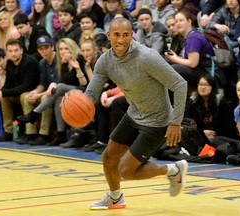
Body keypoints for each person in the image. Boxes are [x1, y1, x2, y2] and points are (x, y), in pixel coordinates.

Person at [68, 17, 188, 209]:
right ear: (109, 36)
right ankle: (115, 198)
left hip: (158, 121)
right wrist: (77, 105)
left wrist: (175, 122)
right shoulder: (105, 61)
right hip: (134, 113)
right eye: (116, 35)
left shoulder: (147, 57)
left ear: (132, 35)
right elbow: (91, 93)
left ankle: (173, 170)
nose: (121, 40)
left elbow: (180, 84)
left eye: (126, 35)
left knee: (126, 170)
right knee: (108, 157)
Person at [17, 38, 87, 146]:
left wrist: (77, 69)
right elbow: (60, 82)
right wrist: (36, 92)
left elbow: (84, 84)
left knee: (58, 89)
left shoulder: (79, 58)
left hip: (83, 89)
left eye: (66, 48)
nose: (63, 51)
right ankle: (61, 134)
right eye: (61, 49)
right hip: (68, 90)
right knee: (58, 97)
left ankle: (34, 114)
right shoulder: (61, 62)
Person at [0, 38, 40, 142]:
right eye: (10, 51)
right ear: (7, 53)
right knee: (4, 97)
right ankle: (8, 131)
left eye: (16, 50)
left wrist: (3, 92)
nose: (14, 54)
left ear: (21, 50)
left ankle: (30, 132)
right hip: (19, 93)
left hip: (34, 93)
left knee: (24, 96)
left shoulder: (30, 62)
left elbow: (27, 86)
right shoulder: (10, 64)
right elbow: (8, 84)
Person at [17, 36, 59, 145]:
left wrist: (39, 95)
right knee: (26, 96)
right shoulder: (42, 63)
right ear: (38, 50)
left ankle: (44, 134)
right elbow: (43, 83)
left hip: (58, 93)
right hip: (48, 91)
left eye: (46, 47)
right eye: (41, 48)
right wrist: (35, 92)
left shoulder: (58, 60)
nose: (44, 51)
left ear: (52, 47)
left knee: (45, 97)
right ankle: (30, 132)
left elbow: (57, 86)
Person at [185, 74, 237, 147]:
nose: (203, 87)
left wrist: (215, 135)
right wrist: (202, 133)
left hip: (220, 139)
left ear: (212, 87)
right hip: (199, 137)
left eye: (206, 85)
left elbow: (228, 126)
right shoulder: (192, 102)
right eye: (200, 84)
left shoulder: (221, 103)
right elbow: (188, 122)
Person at [165, 11, 213, 89]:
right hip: (199, 70)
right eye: (176, 21)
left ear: (189, 22)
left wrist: (175, 58)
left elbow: (193, 63)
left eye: (181, 20)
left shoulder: (194, 37)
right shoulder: (188, 37)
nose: (178, 23)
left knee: (174, 69)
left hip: (207, 73)